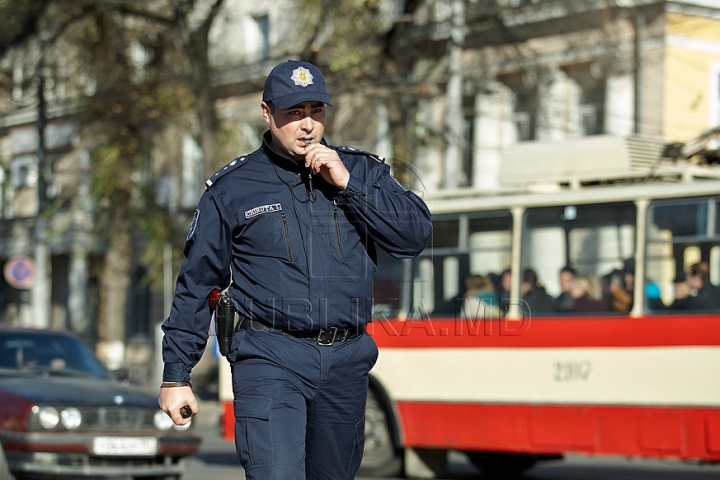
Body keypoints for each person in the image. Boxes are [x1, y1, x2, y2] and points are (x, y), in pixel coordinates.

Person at [158, 60, 432, 480]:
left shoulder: (360, 170)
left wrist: (348, 185)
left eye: (316, 111)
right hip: (269, 358)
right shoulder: (233, 188)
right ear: (267, 113)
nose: (307, 125)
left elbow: (414, 237)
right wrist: (176, 375)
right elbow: (198, 282)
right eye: (293, 113)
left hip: (345, 361)